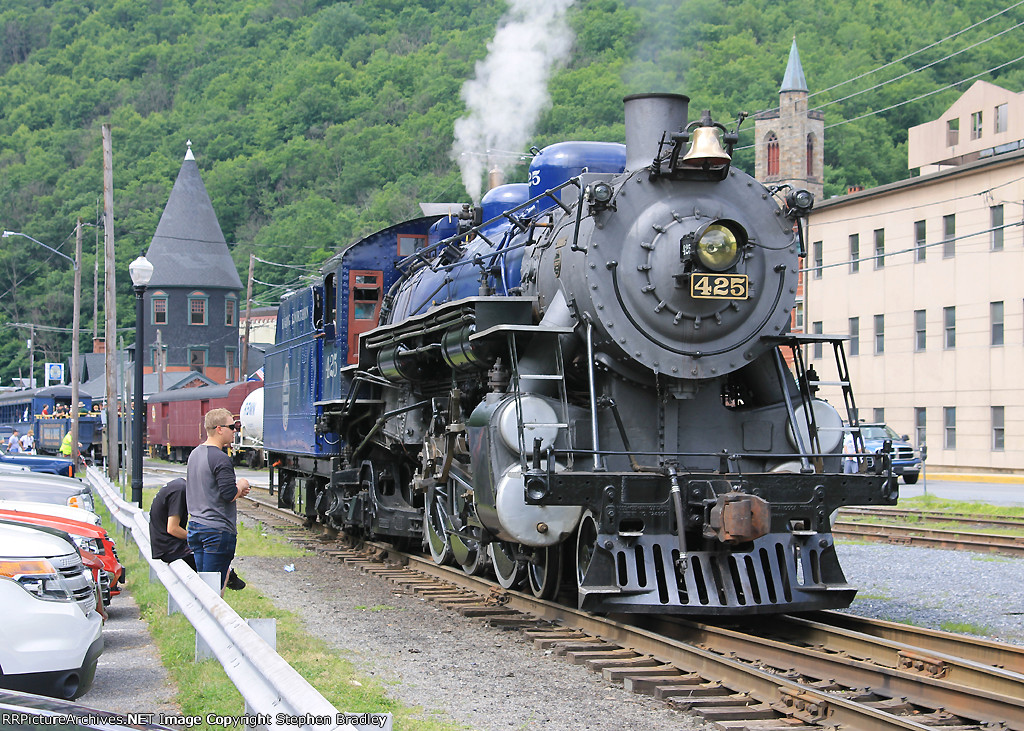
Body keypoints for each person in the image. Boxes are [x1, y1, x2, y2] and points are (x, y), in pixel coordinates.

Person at [185, 408, 250, 593]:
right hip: (217, 530)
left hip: (196, 527)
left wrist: (236, 491)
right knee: (214, 588)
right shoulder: (221, 459)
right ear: (219, 429)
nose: (235, 431)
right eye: (232, 426)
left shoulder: (195, 454)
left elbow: (210, 489)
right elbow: (228, 494)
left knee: (203, 583)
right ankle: (211, 621)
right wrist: (241, 485)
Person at [149, 478, 196, 570]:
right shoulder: (180, 491)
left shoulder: (177, 485)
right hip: (171, 548)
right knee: (212, 561)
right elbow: (173, 529)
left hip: (164, 546)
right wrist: (196, 537)